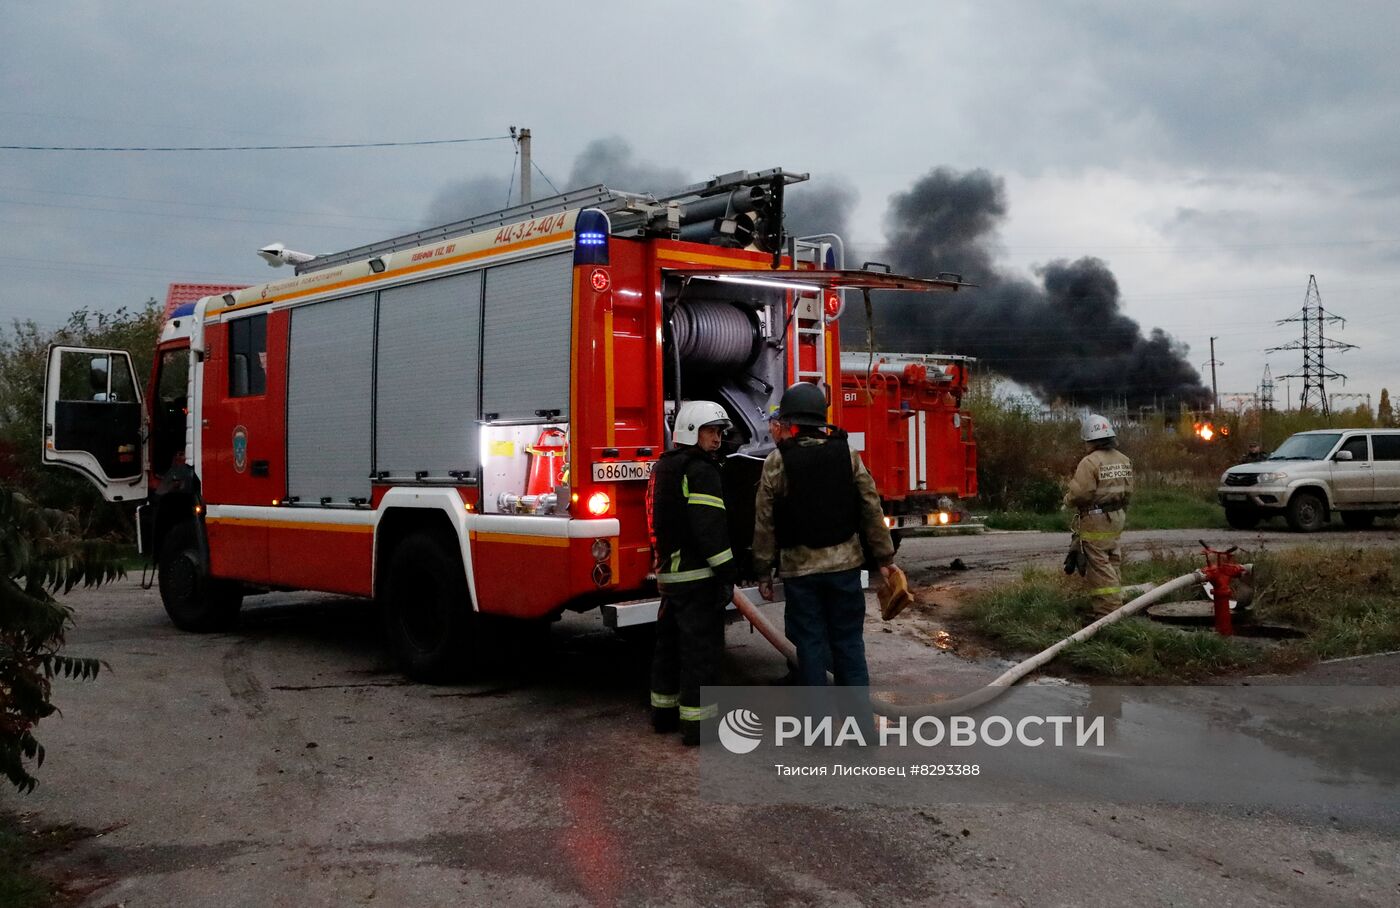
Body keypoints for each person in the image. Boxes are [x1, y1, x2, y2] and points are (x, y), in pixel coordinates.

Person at [752, 382, 896, 689]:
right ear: (821, 418)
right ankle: (857, 718)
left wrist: (763, 572)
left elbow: (764, 522)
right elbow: (871, 506)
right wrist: (885, 558)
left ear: (790, 422)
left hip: (800, 573)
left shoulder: (776, 461)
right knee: (849, 644)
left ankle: (817, 719)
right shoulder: (847, 454)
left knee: (809, 648)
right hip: (844, 568)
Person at [646, 400, 737, 745]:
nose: (717, 439)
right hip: (698, 578)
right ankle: (699, 726)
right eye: (710, 431)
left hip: (670, 577)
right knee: (701, 654)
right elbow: (710, 529)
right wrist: (727, 572)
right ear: (690, 431)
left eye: (719, 432)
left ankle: (663, 715)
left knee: (668, 649)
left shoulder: (663, 467)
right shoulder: (701, 470)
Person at [1065, 414, 1135, 619]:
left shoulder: (1090, 462)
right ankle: (1116, 605)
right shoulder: (1123, 459)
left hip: (1096, 520)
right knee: (1112, 560)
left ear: (1089, 439)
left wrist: (1067, 500)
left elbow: (1081, 493)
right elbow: (1129, 491)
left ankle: (1108, 613)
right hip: (1116, 516)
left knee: (1099, 565)